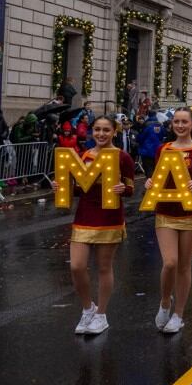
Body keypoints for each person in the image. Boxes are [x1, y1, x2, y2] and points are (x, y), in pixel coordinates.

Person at [51, 116, 135, 335]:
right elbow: (80, 188)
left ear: (114, 132)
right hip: (84, 216)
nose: (101, 134)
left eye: (106, 130)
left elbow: (131, 188)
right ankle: (88, 308)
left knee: (104, 267)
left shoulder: (123, 157)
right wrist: (62, 186)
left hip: (109, 217)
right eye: (97, 129)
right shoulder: (84, 155)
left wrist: (122, 189)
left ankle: (102, 315)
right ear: (91, 132)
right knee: (77, 266)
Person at [144, 108, 192, 334]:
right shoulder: (163, 149)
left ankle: (179, 313)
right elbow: (156, 176)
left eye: (185, 122)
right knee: (170, 262)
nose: (180, 125)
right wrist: (150, 184)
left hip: (191, 214)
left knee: (183, 266)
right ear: (172, 124)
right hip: (165, 212)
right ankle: (165, 301)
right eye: (176, 121)